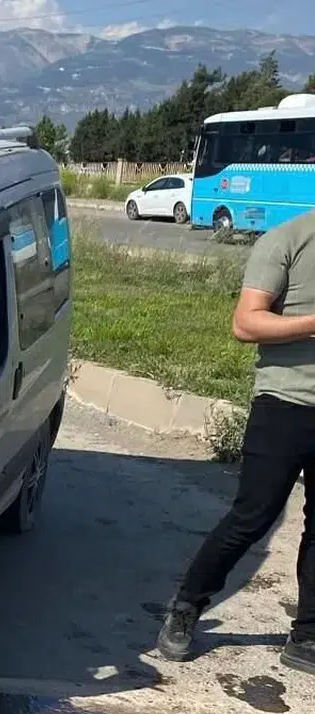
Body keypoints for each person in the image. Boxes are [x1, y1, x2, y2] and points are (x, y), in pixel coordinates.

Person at [157, 211, 315, 673]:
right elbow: (246, 324)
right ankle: (187, 606)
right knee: (254, 515)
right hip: (286, 402)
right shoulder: (286, 241)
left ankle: (307, 635)